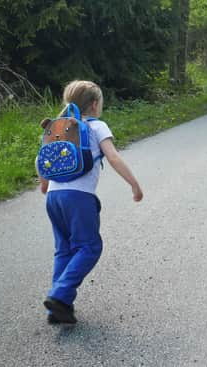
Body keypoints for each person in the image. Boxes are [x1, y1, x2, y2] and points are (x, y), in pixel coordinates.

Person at [38, 80, 144, 324]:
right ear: (95, 105)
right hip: (79, 197)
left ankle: (57, 309)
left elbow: (40, 160)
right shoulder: (96, 127)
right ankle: (60, 296)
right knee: (89, 247)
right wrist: (134, 184)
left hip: (54, 197)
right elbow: (114, 157)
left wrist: (44, 184)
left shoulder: (57, 126)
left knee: (64, 249)